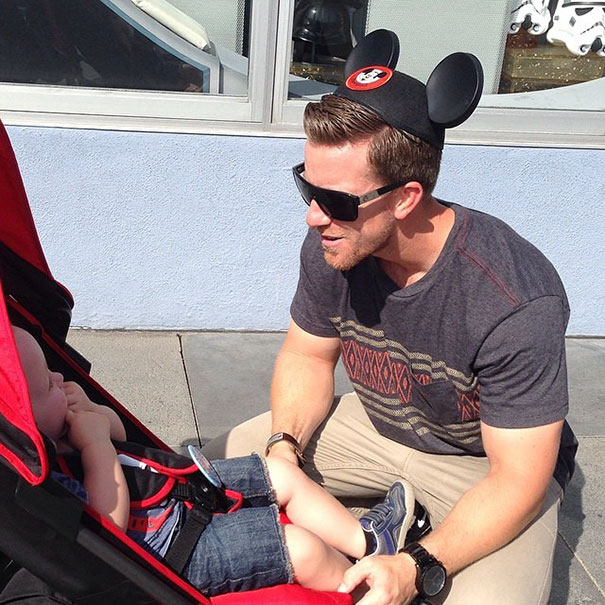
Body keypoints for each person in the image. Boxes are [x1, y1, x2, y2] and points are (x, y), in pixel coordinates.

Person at [202, 30, 578, 605]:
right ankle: (378, 523)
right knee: (224, 468)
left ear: (405, 198)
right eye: (306, 186)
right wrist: (283, 449)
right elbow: (307, 356)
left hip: (483, 464)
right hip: (377, 428)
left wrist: (416, 566)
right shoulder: (336, 242)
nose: (313, 216)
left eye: (336, 201)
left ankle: (400, 537)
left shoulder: (514, 298)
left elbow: (519, 479)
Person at [11, 325, 416, 598]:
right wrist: (94, 444)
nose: (60, 380)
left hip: (170, 493)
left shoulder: (64, 426)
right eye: (47, 383)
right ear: (28, 420)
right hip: (171, 549)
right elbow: (108, 526)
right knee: (302, 548)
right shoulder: (45, 475)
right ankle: (366, 591)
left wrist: (93, 414)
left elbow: (119, 437)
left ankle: (368, 541)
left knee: (279, 472)